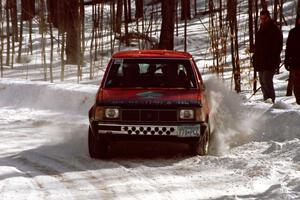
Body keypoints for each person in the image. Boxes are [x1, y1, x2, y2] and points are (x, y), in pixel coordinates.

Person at [253, 9, 283, 103]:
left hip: (270, 61)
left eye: (265, 18)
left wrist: (273, 57)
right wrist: (254, 54)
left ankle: (271, 101)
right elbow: (258, 45)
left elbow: (278, 46)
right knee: (262, 81)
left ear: (269, 17)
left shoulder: (274, 29)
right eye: (261, 18)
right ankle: (266, 100)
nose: (263, 20)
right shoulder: (261, 29)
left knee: (267, 80)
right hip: (261, 61)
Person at [284, 15, 300, 104]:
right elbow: (288, 47)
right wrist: (287, 60)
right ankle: (298, 102)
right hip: (295, 63)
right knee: (297, 85)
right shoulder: (293, 32)